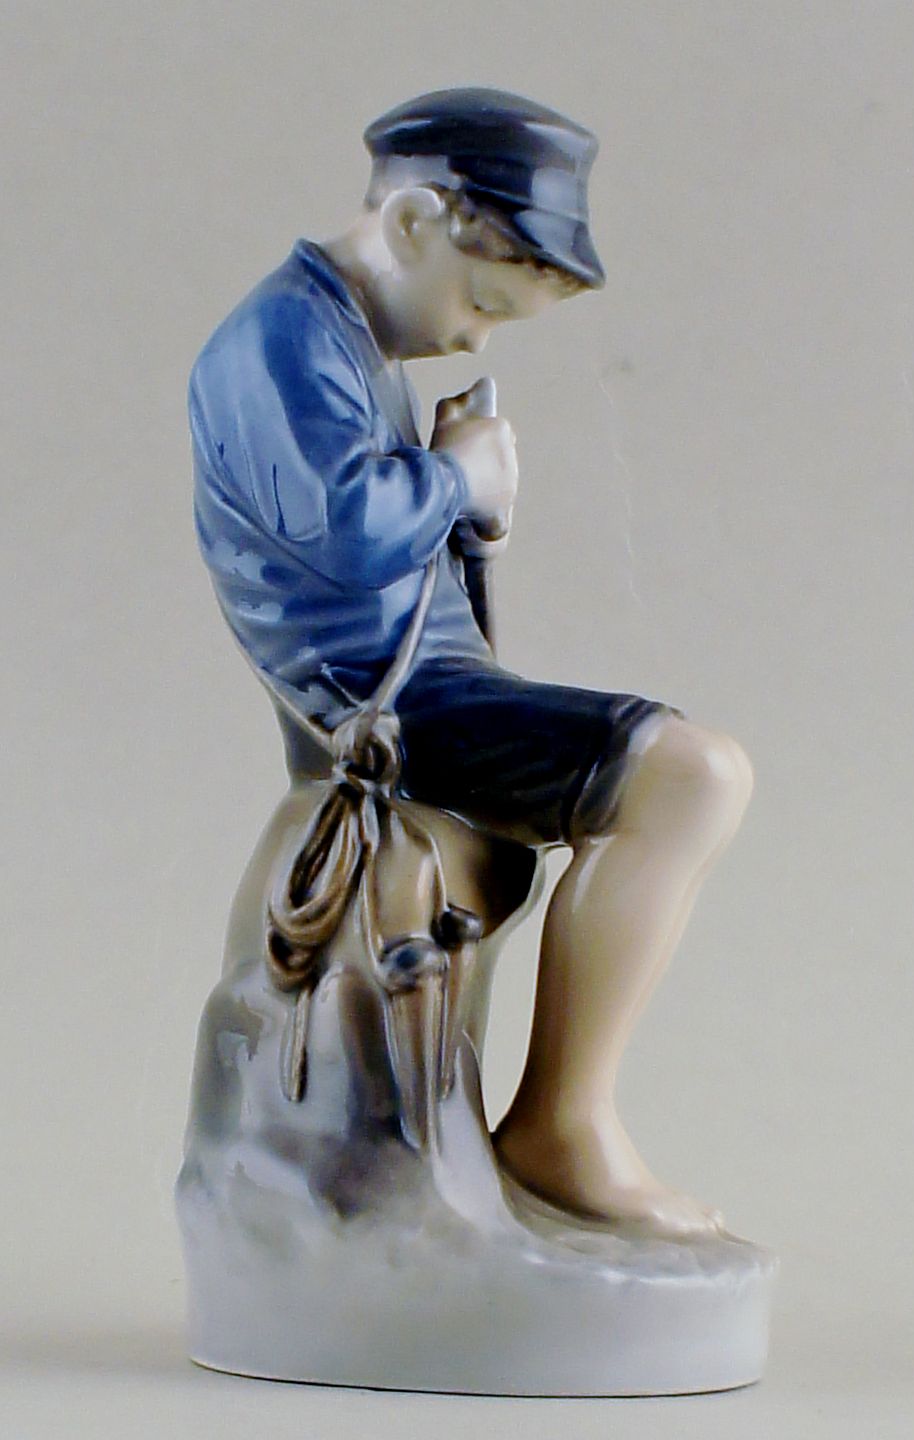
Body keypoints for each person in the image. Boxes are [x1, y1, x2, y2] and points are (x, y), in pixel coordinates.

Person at [189, 88, 753, 1237]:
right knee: (690, 777)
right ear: (413, 224)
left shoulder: (347, 340)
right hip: (386, 706)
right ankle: (560, 1125)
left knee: (692, 777)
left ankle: (561, 1121)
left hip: (429, 683)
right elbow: (341, 534)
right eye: (481, 300)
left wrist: (464, 515)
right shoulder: (278, 341)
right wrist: (457, 479)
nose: (473, 337)